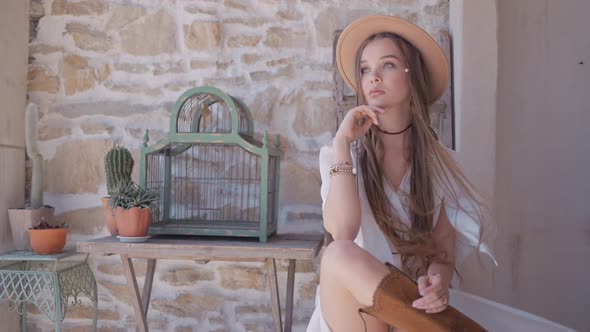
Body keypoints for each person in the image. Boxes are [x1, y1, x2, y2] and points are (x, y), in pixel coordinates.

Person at [306, 15, 497, 332]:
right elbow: (342, 231)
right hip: (355, 314)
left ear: (413, 76)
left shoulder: (442, 166)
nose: (373, 77)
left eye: (388, 65)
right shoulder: (340, 155)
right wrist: (342, 142)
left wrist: (437, 284)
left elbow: (442, 256)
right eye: (365, 69)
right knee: (338, 253)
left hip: (413, 312)